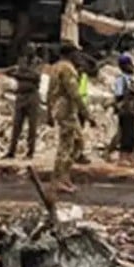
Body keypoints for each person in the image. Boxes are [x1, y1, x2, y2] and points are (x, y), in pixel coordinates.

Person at [46, 42, 92, 193]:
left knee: (78, 142)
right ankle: (59, 179)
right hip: (67, 110)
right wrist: (86, 114)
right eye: (76, 53)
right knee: (66, 145)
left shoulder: (55, 67)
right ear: (70, 54)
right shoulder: (67, 69)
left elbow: (49, 92)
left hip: (61, 108)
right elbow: (74, 93)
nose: (78, 56)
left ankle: (64, 177)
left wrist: (49, 112)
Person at [4, 46, 43, 159]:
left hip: (32, 95)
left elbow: (36, 76)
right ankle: (11, 151)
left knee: (32, 126)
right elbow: (25, 75)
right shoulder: (21, 61)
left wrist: (20, 74)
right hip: (21, 95)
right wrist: (24, 74)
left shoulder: (38, 62)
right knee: (17, 125)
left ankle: (30, 152)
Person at [111, 53, 134, 166]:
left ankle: (131, 156)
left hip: (132, 110)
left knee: (132, 134)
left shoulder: (130, 80)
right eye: (130, 65)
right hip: (125, 110)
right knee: (125, 134)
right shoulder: (121, 80)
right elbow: (119, 95)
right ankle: (123, 157)